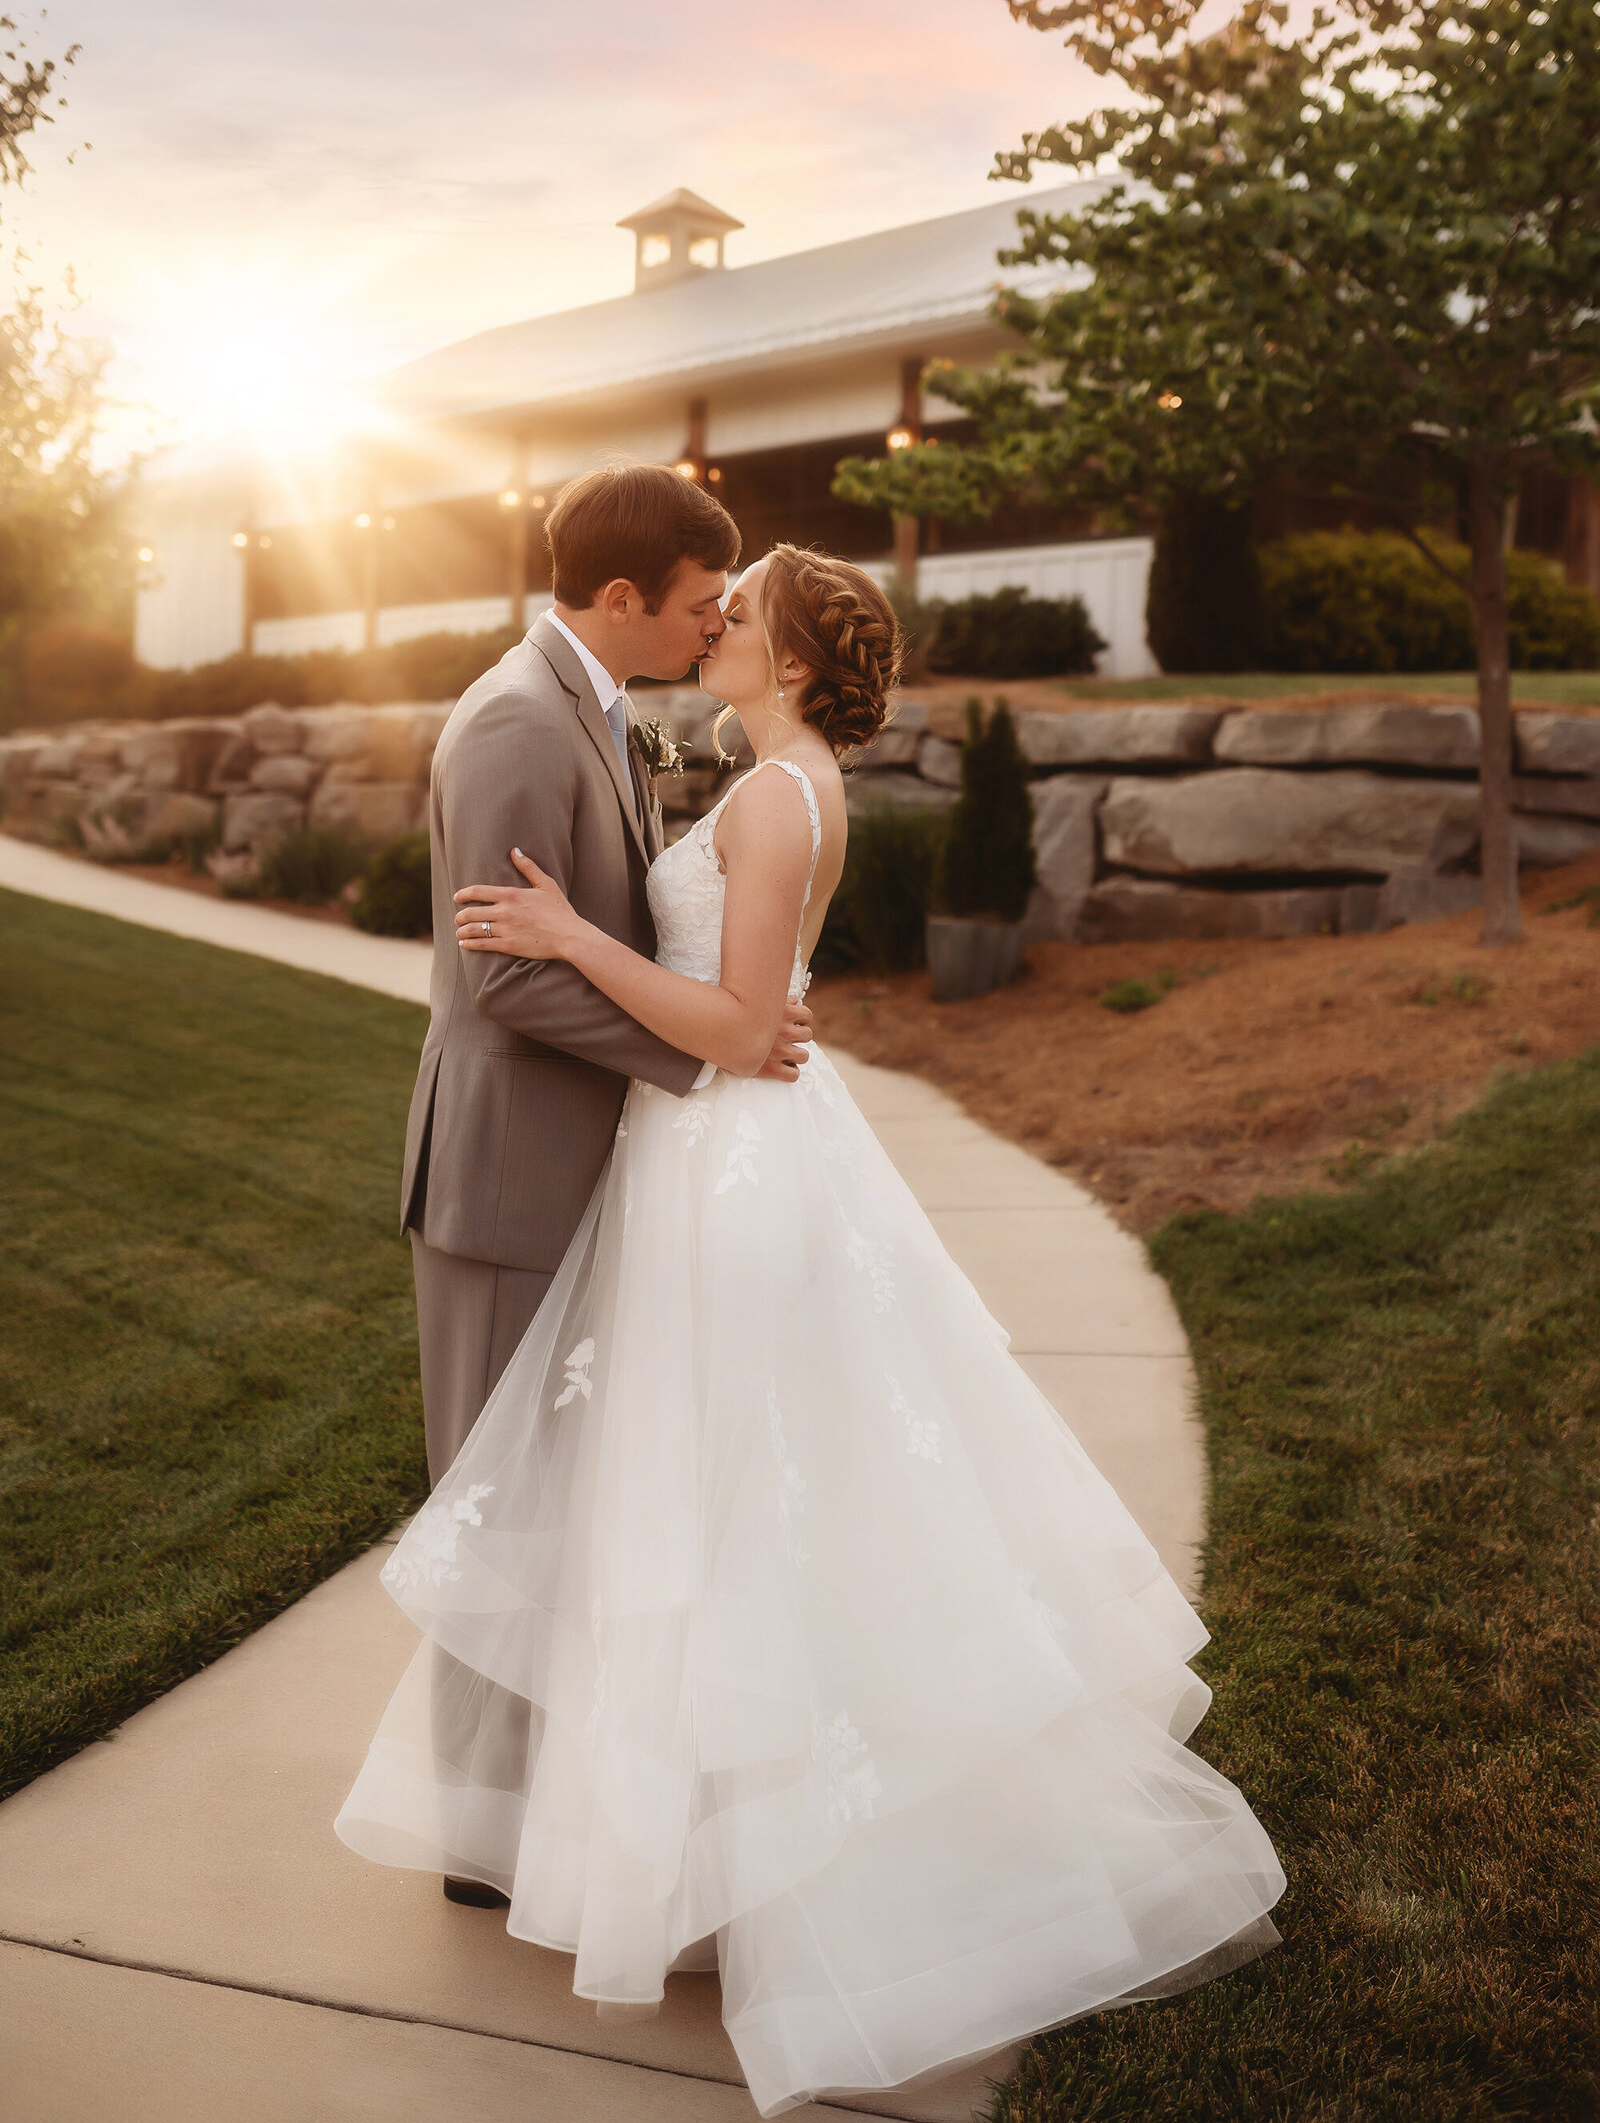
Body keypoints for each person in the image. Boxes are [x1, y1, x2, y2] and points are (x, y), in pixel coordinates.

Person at [337, 542, 1285, 2117]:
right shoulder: (779, 775)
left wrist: (574, 937)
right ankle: (700, 1852)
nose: (716, 629)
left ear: (788, 654)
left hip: (731, 1166)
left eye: (740, 616)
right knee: (706, 1506)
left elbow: (725, 1033)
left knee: (732, 1508)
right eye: (709, 607)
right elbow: (743, 1014)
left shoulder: (780, 797)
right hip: (715, 1160)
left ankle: (759, 1871)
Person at [394, 461, 811, 1906]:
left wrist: (734, 1015)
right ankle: (474, 1841)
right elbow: (505, 976)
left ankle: (536, 1812)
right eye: (699, 605)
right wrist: (703, 1057)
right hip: (506, 1175)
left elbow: (603, 927)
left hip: (573, 1159)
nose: (712, 626)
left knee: (556, 1500)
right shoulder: (518, 718)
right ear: (622, 599)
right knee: (491, 1513)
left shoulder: (598, 704)